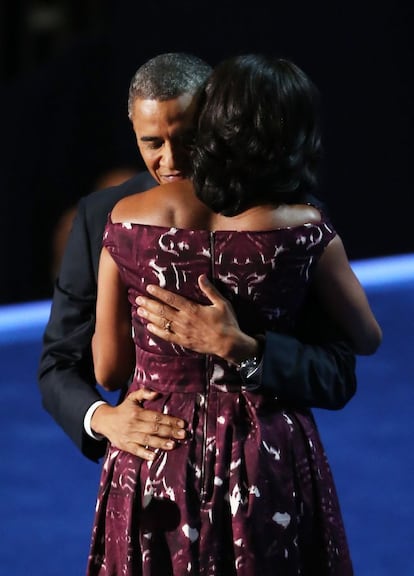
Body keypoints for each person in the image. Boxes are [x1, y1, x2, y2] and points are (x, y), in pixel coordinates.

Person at [86, 54, 381, 574]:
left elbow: (108, 370)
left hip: (155, 448)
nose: (169, 155)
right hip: (263, 451)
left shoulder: (124, 224)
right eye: (152, 141)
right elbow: (366, 337)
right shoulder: (300, 230)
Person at [38, 52, 357, 468]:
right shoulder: (102, 216)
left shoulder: (291, 219)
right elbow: (59, 364)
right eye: (152, 142)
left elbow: (336, 373)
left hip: (265, 466)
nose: (172, 162)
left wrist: (247, 351)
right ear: (132, 129)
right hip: (154, 475)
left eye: (188, 139)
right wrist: (104, 419)